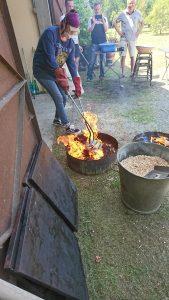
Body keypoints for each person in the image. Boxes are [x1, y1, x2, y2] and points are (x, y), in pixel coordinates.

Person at [33, 9, 83, 134]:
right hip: (42, 70)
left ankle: (57, 119)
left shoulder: (70, 42)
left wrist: (77, 83)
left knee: (64, 96)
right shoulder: (50, 33)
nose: (71, 34)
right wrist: (62, 78)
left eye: (74, 32)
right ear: (64, 23)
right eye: (70, 30)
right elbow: (50, 58)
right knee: (58, 96)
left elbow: (71, 64)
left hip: (55, 72)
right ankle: (67, 126)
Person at [114, 0, 144, 78]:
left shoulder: (138, 13)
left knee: (132, 56)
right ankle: (122, 73)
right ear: (127, 3)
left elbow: (142, 23)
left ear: (135, 4)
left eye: (133, 3)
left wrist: (138, 33)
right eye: (130, 3)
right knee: (123, 56)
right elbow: (114, 23)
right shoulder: (122, 13)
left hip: (132, 39)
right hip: (123, 39)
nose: (131, 5)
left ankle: (132, 73)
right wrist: (119, 32)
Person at [87, 2, 109, 81]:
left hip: (103, 42)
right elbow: (89, 30)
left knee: (102, 60)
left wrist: (102, 20)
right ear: (93, 9)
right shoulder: (90, 19)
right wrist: (94, 22)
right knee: (92, 60)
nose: (97, 10)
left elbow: (106, 29)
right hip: (94, 42)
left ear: (100, 9)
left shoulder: (104, 18)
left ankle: (102, 76)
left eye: (98, 9)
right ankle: (89, 76)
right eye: (95, 9)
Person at [60, 0, 82, 70]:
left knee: (76, 62)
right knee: (69, 63)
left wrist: (78, 45)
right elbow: (62, 33)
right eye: (69, 6)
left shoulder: (75, 17)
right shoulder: (63, 18)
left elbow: (76, 34)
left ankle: (75, 76)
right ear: (65, 6)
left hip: (75, 44)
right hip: (67, 43)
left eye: (72, 6)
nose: (71, 8)